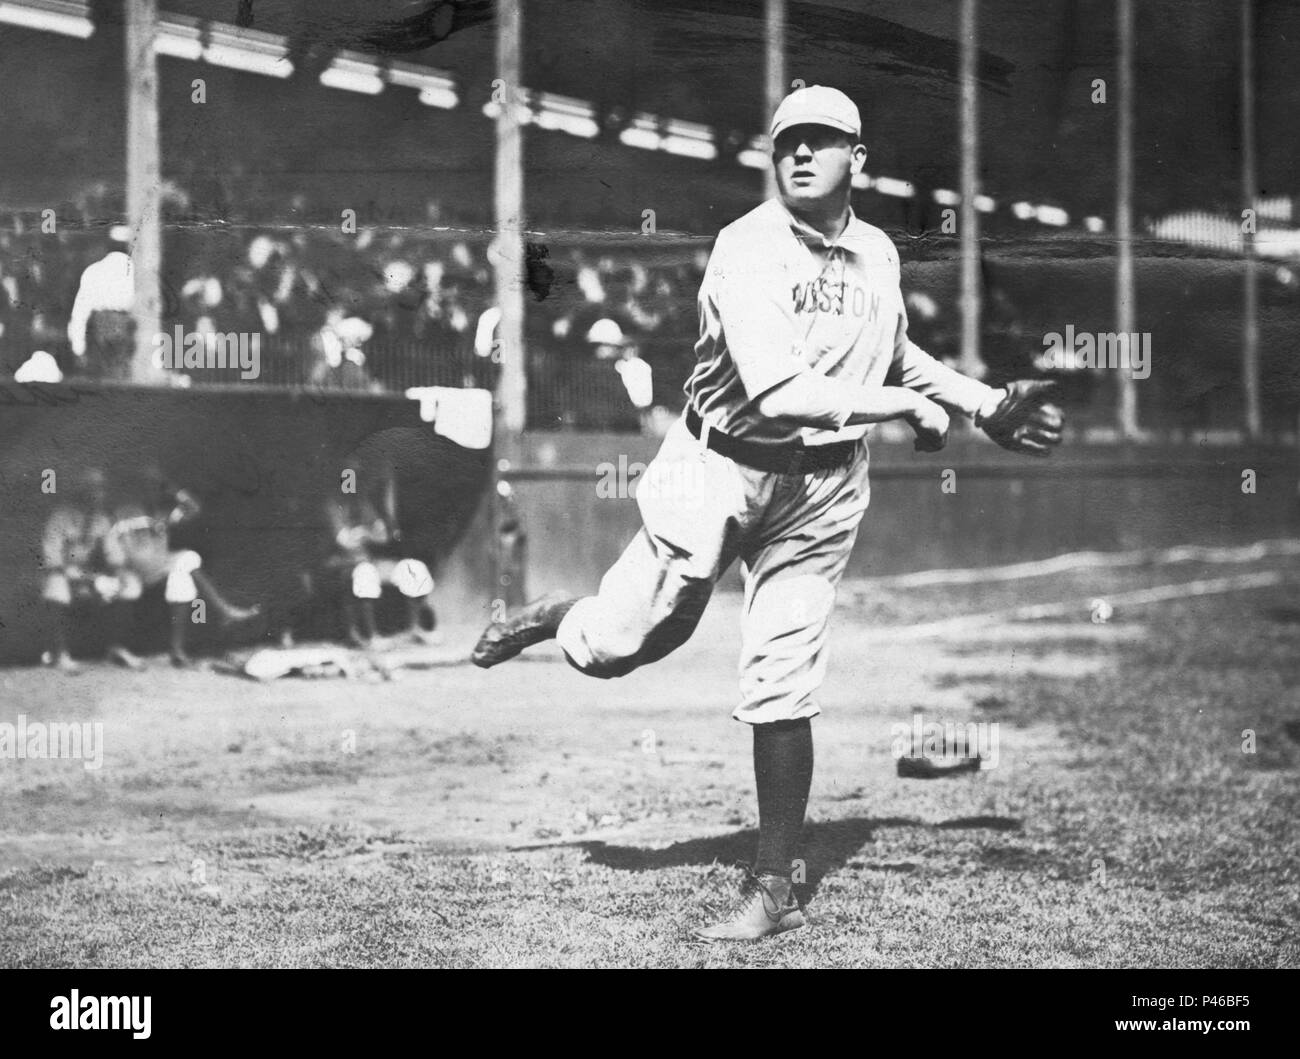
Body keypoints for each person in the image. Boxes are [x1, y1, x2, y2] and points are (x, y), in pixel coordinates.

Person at [470, 86, 1063, 942]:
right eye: (789, 141)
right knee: (623, 645)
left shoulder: (877, 253)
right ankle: (559, 616)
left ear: (859, 159)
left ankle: (774, 884)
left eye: (823, 140)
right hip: (716, 466)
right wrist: (906, 408)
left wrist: (984, 403)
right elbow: (780, 392)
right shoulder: (746, 247)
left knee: (782, 673)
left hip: (822, 489)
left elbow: (895, 350)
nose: (802, 153)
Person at [106, 465, 260, 667]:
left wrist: (169, 487)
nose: (150, 490)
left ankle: (178, 650)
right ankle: (223, 610)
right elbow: (117, 545)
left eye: (154, 486)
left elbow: (193, 508)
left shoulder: (160, 513)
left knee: (184, 572)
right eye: (146, 485)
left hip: (161, 567)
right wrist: (124, 566)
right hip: (135, 571)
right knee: (184, 563)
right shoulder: (126, 512)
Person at [39, 468, 142, 671]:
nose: (98, 494)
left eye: (101, 488)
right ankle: (60, 654)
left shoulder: (101, 519)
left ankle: (117, 648)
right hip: (59, 574)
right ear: (81, 491)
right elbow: (52, 560)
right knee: (56, 587)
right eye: (93, 488)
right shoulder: (60, 517)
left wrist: (119, 573)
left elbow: (114, 553)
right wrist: (89, 579)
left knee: (130, 584)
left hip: (86, 576)